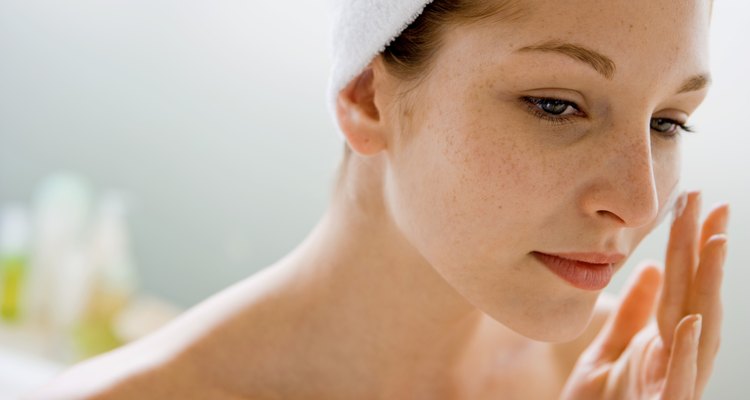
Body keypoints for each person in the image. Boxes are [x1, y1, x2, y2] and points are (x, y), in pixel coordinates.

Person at [29, 0, 729, 399]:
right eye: (555, 104)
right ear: (367, 97)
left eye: (669, 122)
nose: (640, 205)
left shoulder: (622, 377)